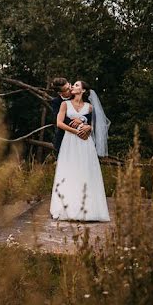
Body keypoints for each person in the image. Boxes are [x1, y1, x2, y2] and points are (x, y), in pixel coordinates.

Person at [50, 80, 110, 221]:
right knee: (69, 172)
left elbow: (97, 124)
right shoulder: (64, 104)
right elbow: (59, 123)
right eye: (72, 85)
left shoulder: (89, 107)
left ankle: (89, 209)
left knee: (86, 171)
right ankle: (68, 208)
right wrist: (75, 131)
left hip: (85, 143)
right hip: (69, 142)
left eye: (76, 85)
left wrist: (87, 125)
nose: (73, 87)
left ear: (83, 90)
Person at [51, 77, 90, 152]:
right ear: (60, 93)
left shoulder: (79, 95)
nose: (71, 88)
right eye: (67, 89)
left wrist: (82, 119)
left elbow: (90, 112)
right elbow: (60, 120)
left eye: (70, 85)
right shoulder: (56, 102)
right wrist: (79, 127)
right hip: (65, 136)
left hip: (83, 135)